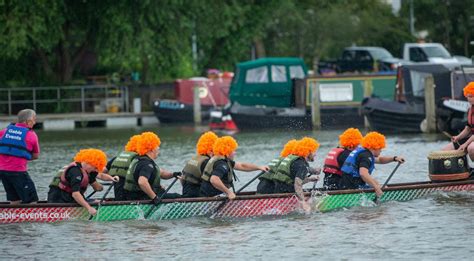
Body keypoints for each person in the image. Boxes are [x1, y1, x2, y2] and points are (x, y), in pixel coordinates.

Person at [47, 149, 117, 216]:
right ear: (88, 162)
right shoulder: (76, 172)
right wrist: (89, 208)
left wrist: (112, 178)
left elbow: (101, 175)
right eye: (95, 167)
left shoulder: (88, 168)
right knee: (93, 202)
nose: (95, 170)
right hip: (59, 198)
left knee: (96, 201)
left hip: (69, 197)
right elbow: (75, 194)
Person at [200, 136, 268, 199]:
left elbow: (242, 166)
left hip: (214, 195)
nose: (235, 153)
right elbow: (214, 179)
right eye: (233, 150)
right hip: (211, 198)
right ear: (227, 152)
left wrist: (259, 167)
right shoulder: (221, 164)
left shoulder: (223, 160)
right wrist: (228, 192)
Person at [339, 132, 405, 197]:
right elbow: (363, 174)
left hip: (346, 183)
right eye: (380, 148)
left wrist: (394, 158)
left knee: (376, 183)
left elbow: (380, 160)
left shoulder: (363, 152)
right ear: (374, 147)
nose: (381, 151)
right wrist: (376, 188)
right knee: (377, 185)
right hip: (352, 186)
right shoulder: (366, 156)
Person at [123, 132, 181, 203]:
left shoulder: (140, 160)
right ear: (152, 149)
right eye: (157, 147)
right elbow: (142, 182)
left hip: (135, 196)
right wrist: (154, 198)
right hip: (143, 198)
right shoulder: (146, 164)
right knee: (177, 196)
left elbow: (161, 172)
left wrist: (173, 174)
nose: (158, 149)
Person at [0, 109, 40, 204]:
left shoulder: (4, 132)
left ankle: (13, 217)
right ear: (28, 121)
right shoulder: (31, 135)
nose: (35, 122)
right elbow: (35, 156)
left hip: (2, 172)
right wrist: (22, 156)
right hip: (18, 172)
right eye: (34, 119)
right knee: (32, 200)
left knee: (14, 199)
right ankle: (32, 217)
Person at [271, 137, 320, 211]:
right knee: (312, 207)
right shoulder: (302, 165)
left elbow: (293, 180)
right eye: (314, 151)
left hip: (278, 191)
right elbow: (297, 184)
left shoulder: (294, 160)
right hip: (286, 195)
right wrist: (303, 202)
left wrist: (310, 179)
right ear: (308, 152)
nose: (315, 154)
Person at [443, 82, 474, 163]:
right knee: (445, 150)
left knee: (471, 148)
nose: (469, 99)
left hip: (472, 140)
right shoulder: (470, 109)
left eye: (471, 96)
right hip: (471, 137)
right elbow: (468, 128)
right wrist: (458, 137)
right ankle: (462, 171)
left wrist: (465, 144)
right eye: (468, 96)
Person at [181, 131, 218, 198]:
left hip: (185, 192)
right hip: (195, 195)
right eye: (214, 150)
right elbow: (213, 182)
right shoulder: (206, 162)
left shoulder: (195, 158)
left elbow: (181, 178)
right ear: (210, 150)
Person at [104, 134, 141, 201]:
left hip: (118, 195)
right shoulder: (140, 160)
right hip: (133, 197)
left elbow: (102, 171)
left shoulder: (117, 158)